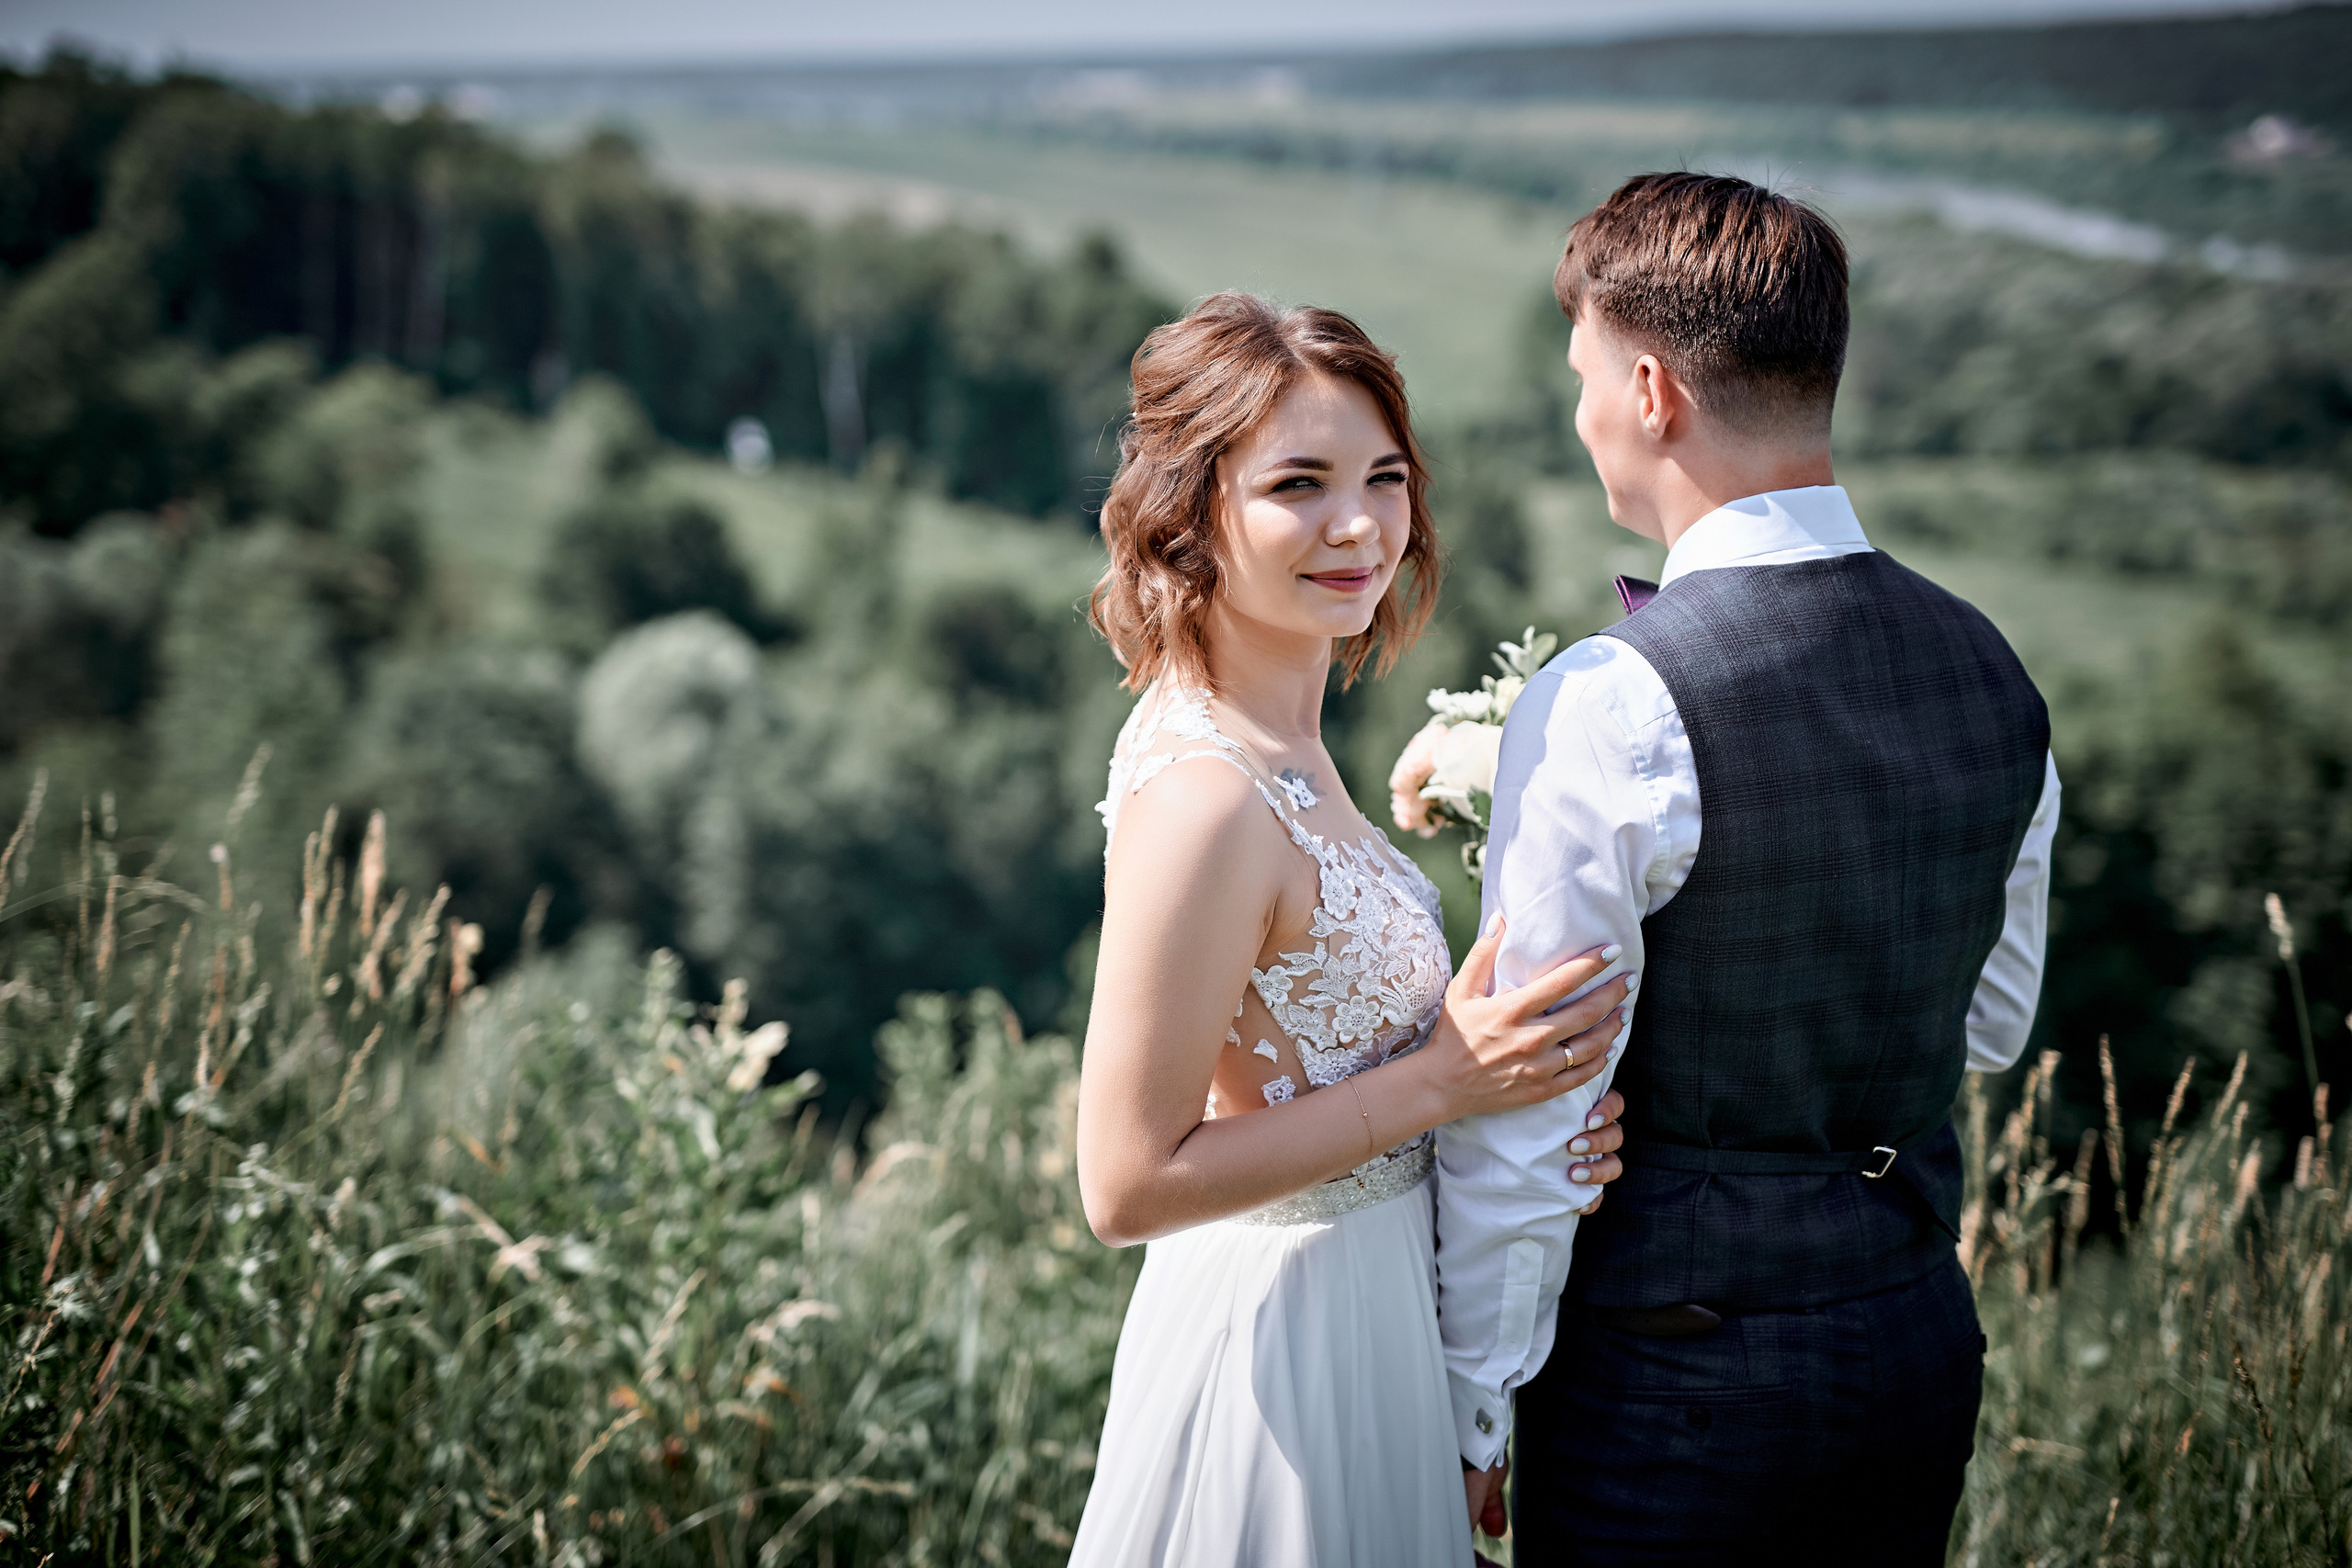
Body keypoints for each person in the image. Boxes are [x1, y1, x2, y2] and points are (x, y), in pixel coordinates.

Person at [1435, 172, 2060, 1563]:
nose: (1581, 408)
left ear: (1652, 390)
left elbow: (1537, 1100)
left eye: (1585, 372)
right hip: (1911, 1338)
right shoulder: (1993, 669)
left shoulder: (1610, 700)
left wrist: (1475, 1406)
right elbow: (1995, 1020)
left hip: (1675, 1382)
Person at [1068, 292, 1634, 1568]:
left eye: (1385, 477)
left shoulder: (1285, 743)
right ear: (1192, 507)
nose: (1359, 525)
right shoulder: (1209, 796)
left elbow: (1337, 1066)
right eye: (1299, 485)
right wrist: (1446, 1081)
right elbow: (1125, 1182)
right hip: (1287, 1347)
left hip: (1375, 1312)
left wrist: (1525, 1109)